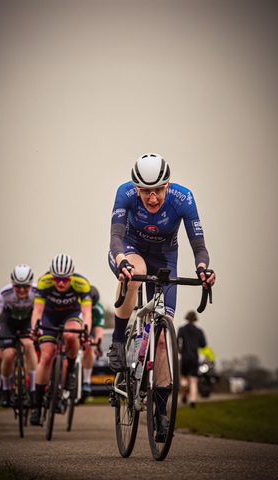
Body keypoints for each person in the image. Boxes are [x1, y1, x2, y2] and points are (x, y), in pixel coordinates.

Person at [107, 153, 216, 436]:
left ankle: (160, 413)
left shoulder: (183, 198)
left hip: (166, 258)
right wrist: (121, 261)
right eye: (145, 191)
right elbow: (116, 236)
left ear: (168, 186)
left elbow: (199, 246)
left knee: (164, 342)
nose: (152, 198)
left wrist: (203, 269)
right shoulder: (125, 192)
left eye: (158, 190)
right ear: (136, 187)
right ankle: (118, 341)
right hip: (130, 251)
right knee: (134, 274)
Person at [29, 254, 92, 426]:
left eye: (65, 279)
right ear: (52, 276)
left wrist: (86, 331)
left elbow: (87, 313)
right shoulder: (44, 282)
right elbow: (37, 311)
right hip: (50, 316)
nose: (61, 283)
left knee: (71, 335)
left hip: (71, 315)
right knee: (46, 356)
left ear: (71, 277)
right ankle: (36, 406)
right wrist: (34, 328)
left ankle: (70, 370)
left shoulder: (82, 283)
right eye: (57, 279)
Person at [0, 264, 38, 408]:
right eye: (17, 286)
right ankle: (6, 391)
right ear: (12, 284)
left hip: (27, 321)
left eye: (25, 286)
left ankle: (33, 389)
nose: (22, 290)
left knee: (28, 345)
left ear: (30, 284)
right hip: (8, 321)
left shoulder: (36, 291)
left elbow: (41, 313)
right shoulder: (5, 293)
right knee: (8, 355)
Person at [177, 310, 207, 408]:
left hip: (185, 357)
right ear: (195, 319)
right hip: (194, 358)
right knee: (194, 380)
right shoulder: (199, 331)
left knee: (184, 377)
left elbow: (177, 341)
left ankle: (185, 388)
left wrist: (179, 350)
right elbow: (203, 344)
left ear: (187, 318)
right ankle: (192, 401)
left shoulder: (182, 329)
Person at [82, 285, 105, 395]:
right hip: (78, 326)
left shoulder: (99, 309)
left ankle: (86, 381)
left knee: (88, 347)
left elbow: (99, 331)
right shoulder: (78, 305)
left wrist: (98, 345)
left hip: (90, 330)